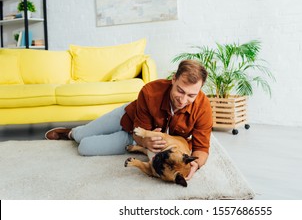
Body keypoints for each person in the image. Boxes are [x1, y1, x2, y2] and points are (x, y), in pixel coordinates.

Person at [45, 60, 213, 180]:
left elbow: (201, 148)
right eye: (180, 91)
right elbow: (140, 130)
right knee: (81, 136)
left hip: (133, 139)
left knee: (84, 147)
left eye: (191, 95)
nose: (183, 100)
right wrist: (146, 142)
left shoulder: (203, 107)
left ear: (199, 90)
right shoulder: (150, 91)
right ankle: (70, 133)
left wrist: (195, 165)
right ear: (173, 79)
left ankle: (82, 136)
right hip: (129, 117)